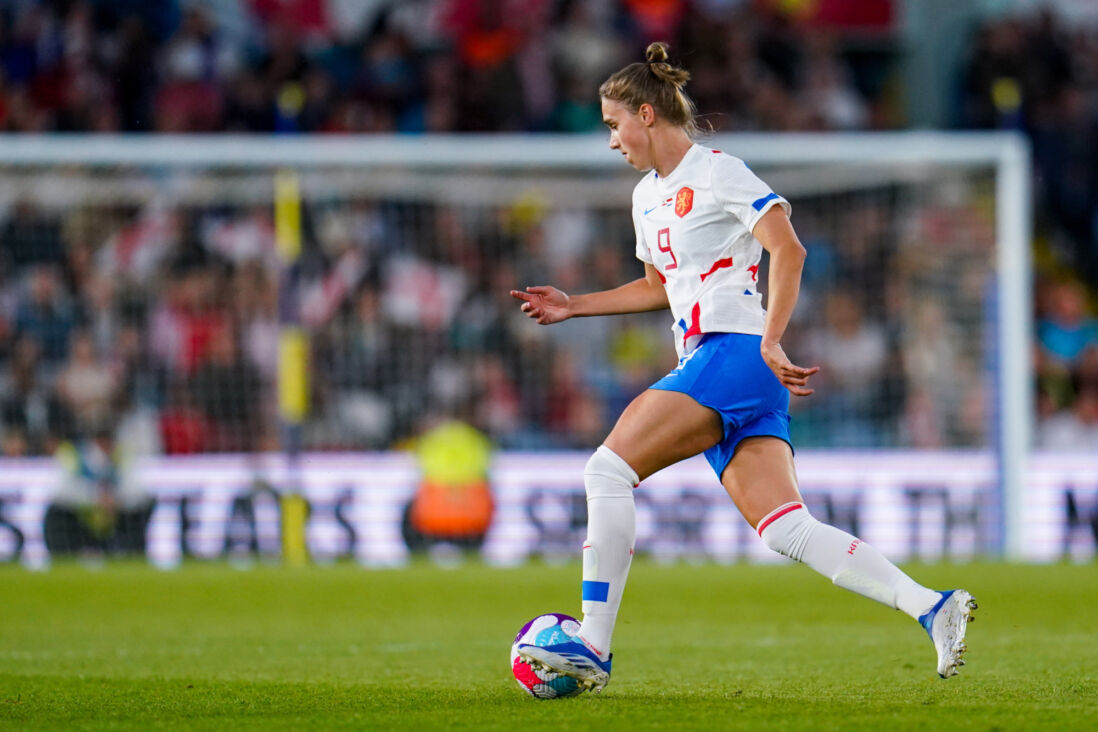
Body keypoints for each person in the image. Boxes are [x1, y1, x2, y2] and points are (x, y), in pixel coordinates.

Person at [510, 42, 976, 693]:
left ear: (647, 114)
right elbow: (657, 285)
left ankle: (592, 642)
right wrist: (575, 306)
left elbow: (788, 248)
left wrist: (773, 339)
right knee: (787, 528)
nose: (611, 140)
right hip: (727, 367)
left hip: (735, 353)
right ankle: (931, 604)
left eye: (614, 124)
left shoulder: (719, 171)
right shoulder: (646, 197)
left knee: (606, 470)